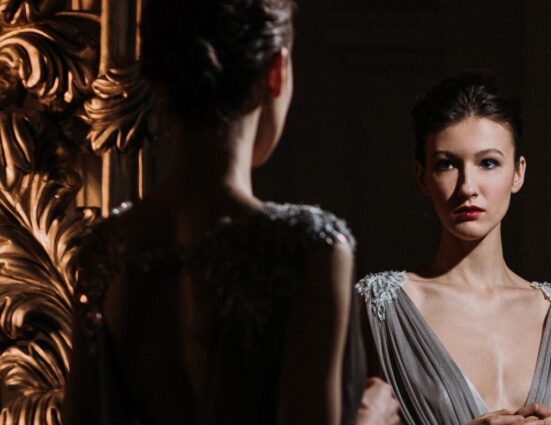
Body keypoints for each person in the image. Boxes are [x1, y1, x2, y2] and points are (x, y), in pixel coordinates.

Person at [61, 1, 399, 424]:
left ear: (158, 81)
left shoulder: (102, 252)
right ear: (276, 71)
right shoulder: (310, 247)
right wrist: (370, 416)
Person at [356, 71, 551, 425]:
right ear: (422, 177)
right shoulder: (380, 308)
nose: (468, 186)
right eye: (447, 164)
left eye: (488, 163)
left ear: (518, 173)